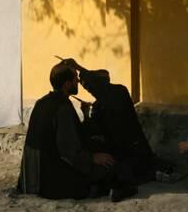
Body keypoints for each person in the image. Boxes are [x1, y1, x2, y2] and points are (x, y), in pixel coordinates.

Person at [17, 62, 129, 201]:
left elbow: (71, 134)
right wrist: (93, 158)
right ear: (67, 83)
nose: (78, 81)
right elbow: (69, 150)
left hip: (32, 176)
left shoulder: (43, 102)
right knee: (110, 166)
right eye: (75, 78)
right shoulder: (62, 107)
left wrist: (85, 114)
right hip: (49, 179)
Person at [61, 59, 156, 198]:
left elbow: (101, 89)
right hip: (114, 151)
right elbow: (93, 131)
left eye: (89, 85)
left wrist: (78, 68)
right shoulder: (99, 105)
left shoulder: (119, 93)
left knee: (124, 170)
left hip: (131, 153)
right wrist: (86, 116)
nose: (87, 88)